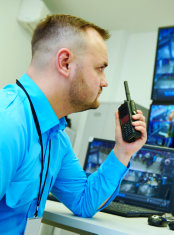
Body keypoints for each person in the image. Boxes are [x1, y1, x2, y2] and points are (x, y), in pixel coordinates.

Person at [0, 14, 147, 234]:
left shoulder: (55, 136)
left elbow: (83, 201)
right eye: (100, 68)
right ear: (65, 63)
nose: (105, 81)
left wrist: (122, 151)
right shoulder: (8, 122)